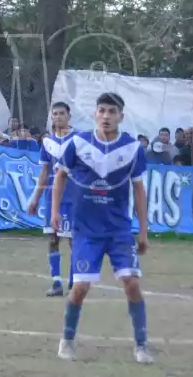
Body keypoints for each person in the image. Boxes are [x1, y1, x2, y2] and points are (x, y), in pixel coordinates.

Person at [52, 92, 152, 364]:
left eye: (112, 111)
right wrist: (54, 213)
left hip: (119, 230)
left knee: (132, 284)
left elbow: (139, 191)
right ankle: (67, 340)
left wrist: (142, 232)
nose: (106, 116)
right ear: (95, 114)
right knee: (81, 287)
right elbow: (60, 176)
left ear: (121, 116)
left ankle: (141, 345)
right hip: (86, 231)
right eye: (102, 111)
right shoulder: (78, 143)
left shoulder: (132, 148)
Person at [27, 101, 77, 297]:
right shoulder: (47, 142)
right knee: (53, 238)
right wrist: (35, 198)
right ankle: (56, 283)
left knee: (75, 240)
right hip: (52, 197)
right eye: (55, 114)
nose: (58, 117)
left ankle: (74, 284)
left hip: (74, 196)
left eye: (61, 113)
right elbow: (45, 170)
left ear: (69, 116)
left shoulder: (79, 139)